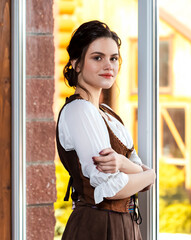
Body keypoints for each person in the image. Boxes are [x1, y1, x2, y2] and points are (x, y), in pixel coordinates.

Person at [56, 20, 156, 240]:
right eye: (97, 57)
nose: (108, 65)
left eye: (113, 58)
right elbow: (112, 189)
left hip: (125, 226)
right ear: (77, 63)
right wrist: (148, 175)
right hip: (98, 227)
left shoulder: (107, 113)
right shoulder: (79, 111)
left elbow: (138, 169)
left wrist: (124, 165)